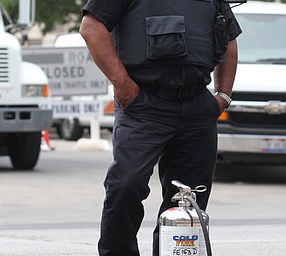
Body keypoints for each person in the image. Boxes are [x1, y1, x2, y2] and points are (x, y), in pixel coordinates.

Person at [80, 0, 242, 255]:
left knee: (190, 200)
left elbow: (229, 40)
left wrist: (223, 96)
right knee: (126, 186)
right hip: (144, 104)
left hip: (196, 105)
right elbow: (91, 27)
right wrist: (122, 84)